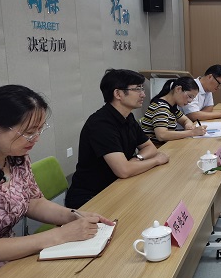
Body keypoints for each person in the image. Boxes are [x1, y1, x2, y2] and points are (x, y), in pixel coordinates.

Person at [0, 85, 114, 278]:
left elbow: (33, 202)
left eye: (39, 130)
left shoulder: (16, 157)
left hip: (10, 259)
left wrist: (72, 216)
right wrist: (59, 235)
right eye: (29, 132)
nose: (35, 139)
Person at [65, 69, 169, 209]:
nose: (143, 94)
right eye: (137, 89)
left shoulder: (128, 116)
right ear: (118, 94)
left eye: (142, 88)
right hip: (92, 196)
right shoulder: (101, 124)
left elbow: (149, 147)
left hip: (118, 184)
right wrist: (156, 160)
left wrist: (137, 158)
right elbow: (124, 170)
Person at [140, 76, 206, 145]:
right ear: (178, 89)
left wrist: (188, 125)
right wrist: (192, 132)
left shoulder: (172, 107)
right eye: (190, 96)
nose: (190, 101)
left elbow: (186, 120)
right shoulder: (161, 107)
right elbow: (161, 135)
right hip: (157, 148)